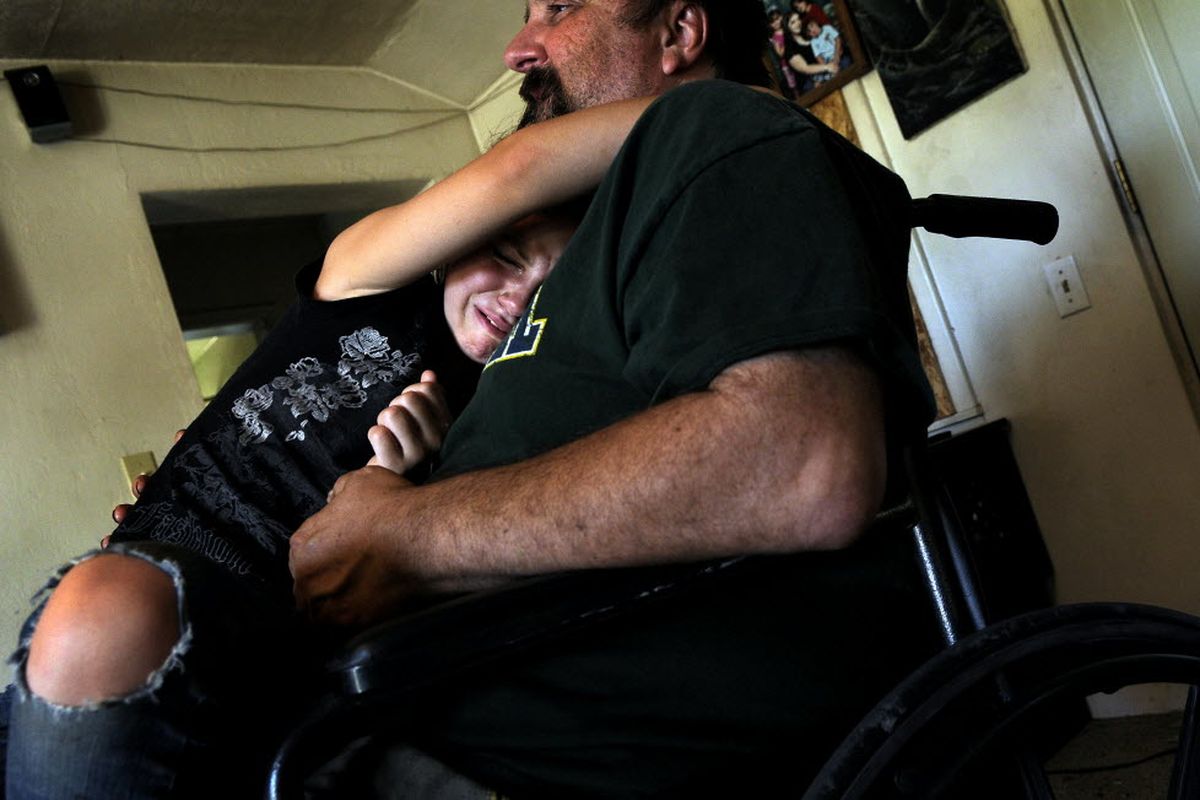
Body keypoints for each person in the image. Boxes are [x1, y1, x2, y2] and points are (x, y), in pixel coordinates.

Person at [285, 0, 939, 796]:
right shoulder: (602, 226)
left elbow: (800, 465)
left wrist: (399, 537)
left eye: (559, 8)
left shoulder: (716, 130)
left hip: (534, 755)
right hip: (415, 700)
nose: (519, 48)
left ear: (679, 34)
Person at [3, 96, 652, 798]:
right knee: (104, 606)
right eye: (504, 257)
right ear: (462, 237)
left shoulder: (517, 403)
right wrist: (707, 107)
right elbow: (516, 173)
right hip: (156, 582)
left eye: (550, 294)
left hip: (290, 647)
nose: (517, 298)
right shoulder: (363, 283)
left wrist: (402, 488)